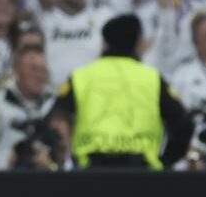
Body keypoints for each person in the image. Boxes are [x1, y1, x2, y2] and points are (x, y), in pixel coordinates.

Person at [51, 14, 194, 170]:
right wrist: (165, 162)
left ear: (104, 43)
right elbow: (184, 124)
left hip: (91, 173)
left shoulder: (81, 77)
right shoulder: (152, 79)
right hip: (142, 173)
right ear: (139, 42)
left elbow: (56, 121)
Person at [0, 46, 55, 170]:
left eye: (42, 70)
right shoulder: (0, 106)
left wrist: (51, 164)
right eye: (33, 69)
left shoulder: (52, 106)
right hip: (4, 182)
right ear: (17, 71)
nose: (39, 75)